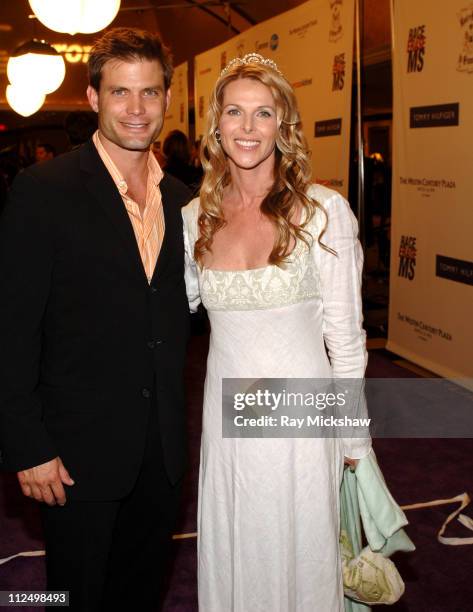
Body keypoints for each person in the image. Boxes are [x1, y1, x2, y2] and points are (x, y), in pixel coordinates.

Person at [0, 27, 191, 611]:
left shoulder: (187, 201)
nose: (137, 110)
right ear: (92, 98)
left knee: (142, 593)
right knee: (74, 597)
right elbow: (11, 329)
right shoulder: (44, 190)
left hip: (161, 451)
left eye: (150, 93)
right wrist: (27, 445)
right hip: (74, 453)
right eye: (120, 93)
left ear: (166, 99)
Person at [182, 54, 371, 610]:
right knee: (237, 544)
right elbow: (172, 307)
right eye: (234, 112)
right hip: (226, 421)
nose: (247, 128)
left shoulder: (323, 211)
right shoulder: (195, 217)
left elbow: (346, 337)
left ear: (282, 124)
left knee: (302, 554)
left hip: (300, 424)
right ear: (216, 123)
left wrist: (353, 438)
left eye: (262, 113)